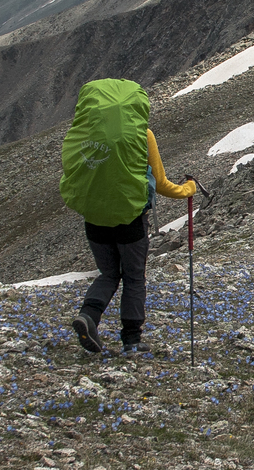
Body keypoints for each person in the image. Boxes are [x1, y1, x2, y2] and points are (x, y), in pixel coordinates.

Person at [58, 79, 195, 357]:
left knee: (108, 274)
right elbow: (162, 183)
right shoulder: (143, 135)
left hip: (95, 220)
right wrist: (189, 189)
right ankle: (131, 340)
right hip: (131, 220)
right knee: (133, 277)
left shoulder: (82, 134)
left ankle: (88, 316)